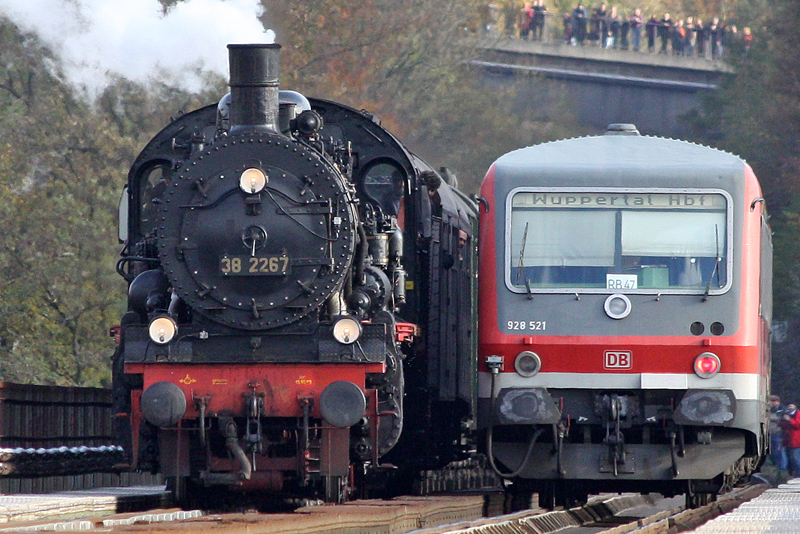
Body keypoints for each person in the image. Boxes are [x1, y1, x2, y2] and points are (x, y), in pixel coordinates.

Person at [769, 395, 788, 473]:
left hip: (778, 433)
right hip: (771, 433)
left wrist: (769, 417)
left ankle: (782, 469)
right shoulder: (771, 409)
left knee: (779, 451)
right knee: (773, 452)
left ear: (776, 402)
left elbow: (782, 418)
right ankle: (777, 467)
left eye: (771, 401)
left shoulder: (781, 409)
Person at [781, 403, 800, 476]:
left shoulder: (798, 414)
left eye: (791, 406)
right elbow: (783, 425)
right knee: (790, 459)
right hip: (788, 440)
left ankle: (798, 474)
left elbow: (797, 424)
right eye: (788, 405)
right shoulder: (786, 414)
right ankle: (792, 474)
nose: (789, 407)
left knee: (796, 458)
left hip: (796, 440)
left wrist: (790, 420)